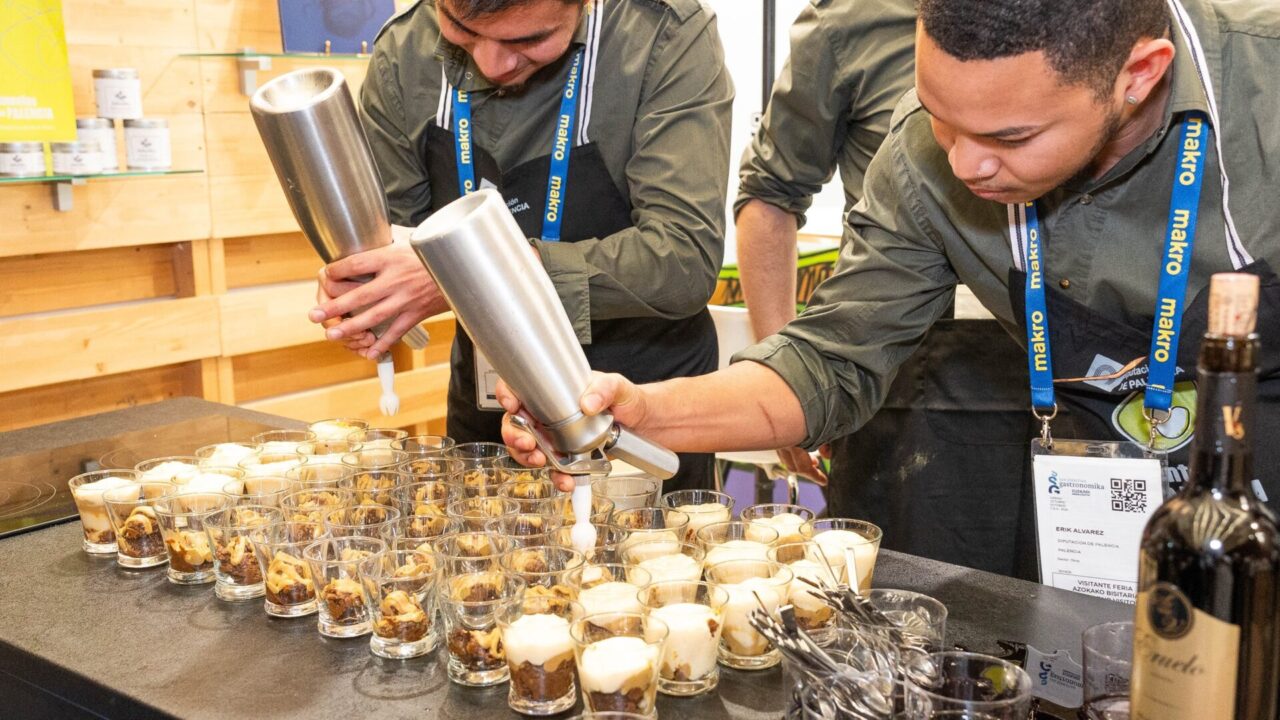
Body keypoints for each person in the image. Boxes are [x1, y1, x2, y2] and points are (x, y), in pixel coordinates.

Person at [505, 0, 1280, 576]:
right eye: (942, 117)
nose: (965, 165)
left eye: (1009, 138)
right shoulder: (921, 157)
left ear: (1139, 76)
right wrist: (638, 411)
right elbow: (831, 360)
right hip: (1087, 480)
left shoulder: (1264, 91)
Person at [309, 0, 733, 491]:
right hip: (488, 401)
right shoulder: (405, 49)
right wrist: (365, 286)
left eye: (528, 40)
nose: (491, 64)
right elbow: (397, 240)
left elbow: (682, 259)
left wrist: (469, 276)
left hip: (640, 400)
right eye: (462, 30)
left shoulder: (662, 37)